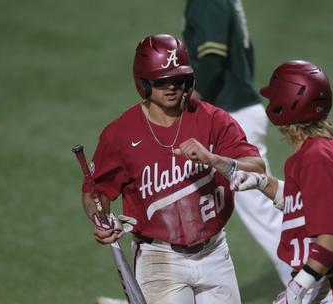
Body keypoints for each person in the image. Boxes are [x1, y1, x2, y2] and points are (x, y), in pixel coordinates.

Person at [81, 34, 266, 304]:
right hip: (159, 259)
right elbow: (96, 193)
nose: (171, 88)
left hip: (215, 253)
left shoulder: (213, 120)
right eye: (160, 81)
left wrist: (215, 159)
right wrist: (101, 220)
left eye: (178, 80)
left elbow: (257, 168)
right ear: (143, 82)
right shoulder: (120, 134)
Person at [230, 60, 333, 304]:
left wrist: (298, 286)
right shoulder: (317, 152)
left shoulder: (317, 158)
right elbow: (308, 204)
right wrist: (262, 183)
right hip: (328, 282)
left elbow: (332, 234)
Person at [182, 0, 292, 284]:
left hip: (228, 117)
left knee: (264, 211)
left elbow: (210, 59)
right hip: (233, 112)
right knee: (180, 202)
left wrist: (187, 100)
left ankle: (310, 284)